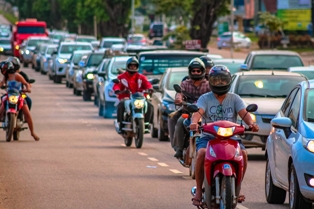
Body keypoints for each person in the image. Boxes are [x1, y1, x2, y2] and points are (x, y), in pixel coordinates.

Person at [189, 65, 259, 207]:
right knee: (202, 153)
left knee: (244, 154)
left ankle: (237, 189)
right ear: (210, 81)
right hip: (209, 136)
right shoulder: (205, 98)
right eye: (216, 80)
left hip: (232, 138)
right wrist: (194, 123)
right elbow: (198, 113)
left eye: (223, 80)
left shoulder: (235, 98)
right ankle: (198, 192)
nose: (220, 83)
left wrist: (251, 124)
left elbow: (244, 114)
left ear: (229, 81)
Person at [172, 58, 211, 158]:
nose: (196, 72)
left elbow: (213, 96)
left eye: (198, 71)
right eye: (193, 70)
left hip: (204, 114)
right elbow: (179, 94)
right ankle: (179, 148)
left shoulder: (208, 85)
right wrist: (178, 99)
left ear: (202, 71)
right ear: (190, 71)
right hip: (188, 113)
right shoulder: (185, 83)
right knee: (180, 122)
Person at [113, 57, 154, 133]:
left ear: (137, 67)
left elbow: (147, 84)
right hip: (127, 98)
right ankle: (121, 124)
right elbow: (117, 85)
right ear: (127, 66)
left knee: (150, 105)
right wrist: (117, 90)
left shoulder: (141, 77)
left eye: (134, 66)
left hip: (140, 98)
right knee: (121, 104)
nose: (133, 67)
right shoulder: (121, 77)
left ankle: (147, 125)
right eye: (131, 66)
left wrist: (150, 88)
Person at [0, 61, 40, 141]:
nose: (2, 71)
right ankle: (3, 117)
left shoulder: (17, 75)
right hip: (9, 95)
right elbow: (1, 83)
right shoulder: (6, 77)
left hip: (18, 95)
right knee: (1, 107)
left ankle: (32, 133)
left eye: (3, 69)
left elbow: (26, 83)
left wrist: (28, 89)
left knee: (27, 114)